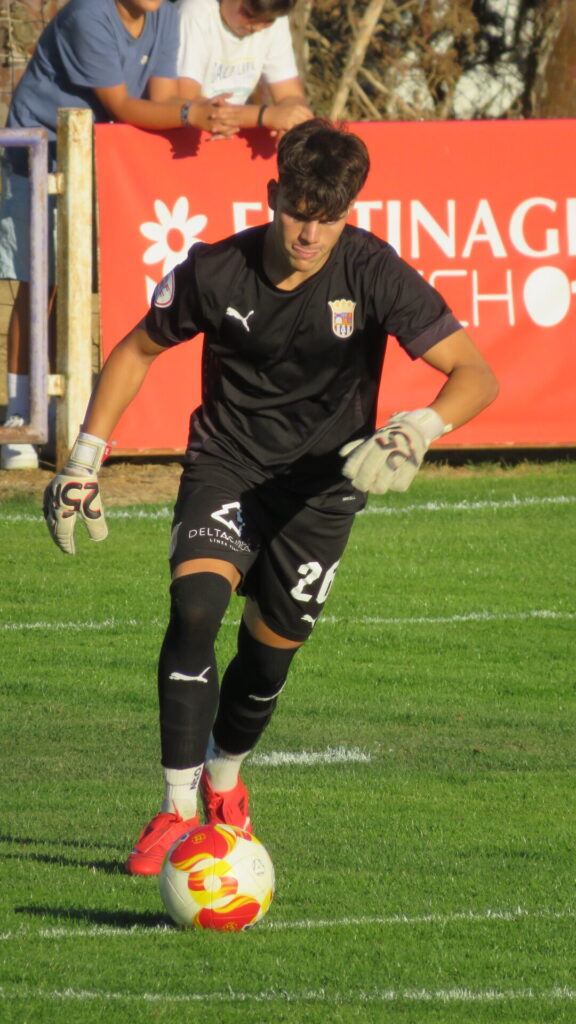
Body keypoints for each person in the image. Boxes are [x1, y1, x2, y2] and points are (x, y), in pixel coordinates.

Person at [43, 118, 498, 875]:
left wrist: (420, 426)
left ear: (348, 213)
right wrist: (85, 455)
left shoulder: (373, 272)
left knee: (266, 659)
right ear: (272, 195)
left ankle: (225, 783)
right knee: (194, 612)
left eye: (329, 217)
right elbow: (136, 348)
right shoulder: (217, 270)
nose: (310, 232)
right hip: (227, 464)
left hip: (322, 492)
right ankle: (176, 813)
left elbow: (476, 374)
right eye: (297, 211)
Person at [0, 0, 236, 471]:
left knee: (76, 294)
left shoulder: (165, 15)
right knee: (39, 287)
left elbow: (165, 98)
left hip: (96, 162)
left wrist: (211, 113)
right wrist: (195, 114)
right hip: (37, 158)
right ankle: (21, 421)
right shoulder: (87, 14)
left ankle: (62, 416)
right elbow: (124, 106)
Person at [176, 0, 313, 139]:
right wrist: (265, 116)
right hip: (185, 140)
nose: (257, 27)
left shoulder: (276, 19)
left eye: (268, 21)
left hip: (229, 140)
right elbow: (186, 102)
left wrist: (291, 122)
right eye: (248, 14)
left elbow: (290, 95)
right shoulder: (196, 11)